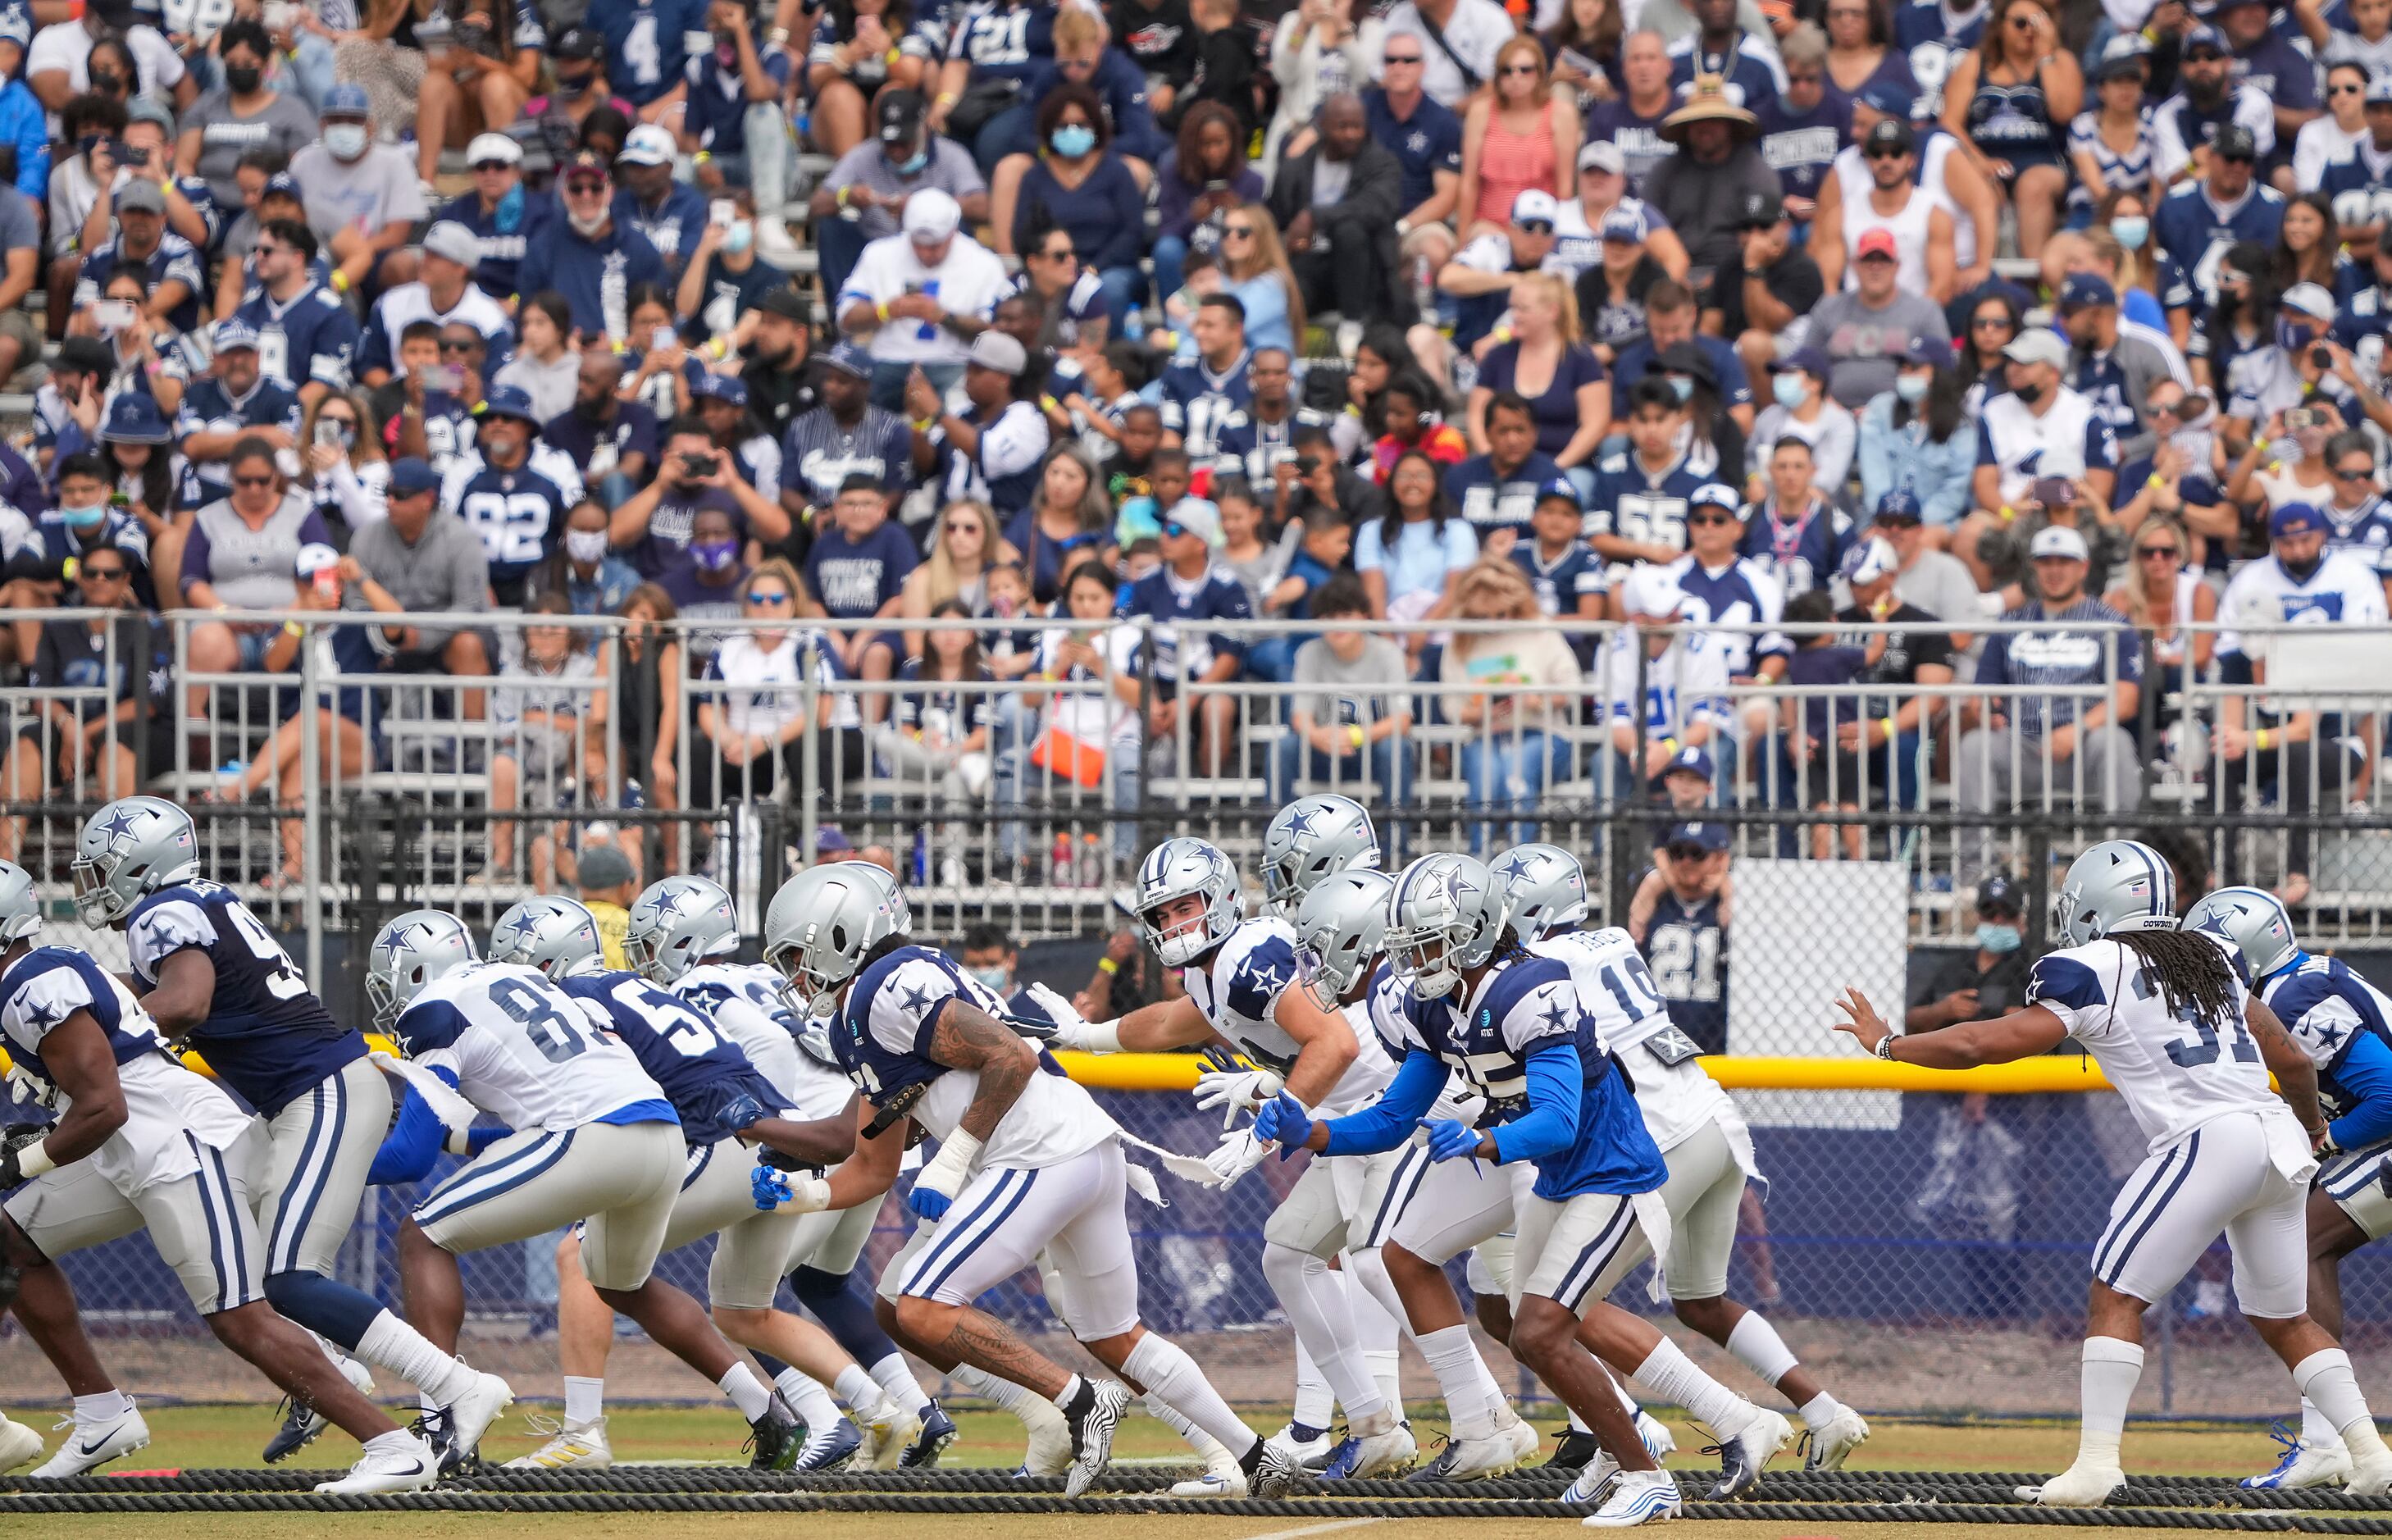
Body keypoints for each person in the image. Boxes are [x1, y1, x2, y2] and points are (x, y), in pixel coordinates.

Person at [1840, 841, 2392, 1503]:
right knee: (2285, 1317)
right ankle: (2370, 1455)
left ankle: (2096, 1465)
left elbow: (1980, 1043)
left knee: (2115, 1294)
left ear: (2098, 905)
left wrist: (1886, 1043)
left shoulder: (2087, 965)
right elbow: (2295, 1064)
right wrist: (2309, 1131)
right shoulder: (2211, 956)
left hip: (2205, 1138)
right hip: (2276, 1139)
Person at [1260, 848, 1793, 1523]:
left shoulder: (1529, 989)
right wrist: (1308, 1131)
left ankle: (1646, 1473)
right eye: (1406, 947)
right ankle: (1621, 1444)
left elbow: (1558, 1121)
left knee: (1541, 1330)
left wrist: (1483, 1141)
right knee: (1521, 1323)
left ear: (1475, 931)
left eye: (1428, 944)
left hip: (1609, 1171)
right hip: (1551, 1173)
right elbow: (1394, 1117)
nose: (1414, 962)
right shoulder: (1433, 1005)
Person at [760, 860, 1303, 1499]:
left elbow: (1008, 1057)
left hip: (1037, 1155)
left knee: (923, 1304)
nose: (795, 975)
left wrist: (956, 1152)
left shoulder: (886, 985)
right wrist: (808, 1194)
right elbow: (873, 1159)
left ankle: (1075, 1404)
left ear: (842, 933)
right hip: (1074, 1151)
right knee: (1112, 1334)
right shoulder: (866, 1005)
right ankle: (1253, 1456)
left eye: (799, 954)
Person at [70, 798, 513, 1469]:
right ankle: (343, 1366)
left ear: (140, 864)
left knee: (290, 1278)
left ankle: (457, 1387)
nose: (94, 883)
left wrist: (102, 1039)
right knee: (253, 1257)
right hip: (307, 1097)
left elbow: (187, 1001)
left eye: (104, 868)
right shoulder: (198, 901)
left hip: (320, 1092)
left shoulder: (163, 912)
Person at [0, 865, 445, 1491]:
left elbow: (107, 1105)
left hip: (176, 1144)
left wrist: (25, 1161)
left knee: (239, 1315)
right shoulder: (34, 979)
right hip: (129, 1151)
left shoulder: (33, 983)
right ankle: (102, 1414)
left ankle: (394, 1445)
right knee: (11, 1240)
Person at [364, 908, 813, 1471]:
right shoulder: (531, 986)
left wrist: (332, 1167)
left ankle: (442, 1429)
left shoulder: (433, 1010)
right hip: (661, 1138)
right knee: (618, 1282)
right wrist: (458, 1140)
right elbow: (535, 1123)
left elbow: (410, 1155)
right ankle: (767, 1412)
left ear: (412, 973)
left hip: (592, 1136)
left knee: (421, 1235)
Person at [1046, 835, 1422, 1476]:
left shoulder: (1246, 956)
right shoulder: (1214, 968)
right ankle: (1372, 1422)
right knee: (1292, 1253)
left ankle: (1476, 1419)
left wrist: (1265, 1127)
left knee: (1404, 1271)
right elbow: (1171, 1024)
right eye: (1161, 915)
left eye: (1183, 907)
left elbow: (1333, 1044)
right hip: (1355, 1113)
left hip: (1399, 1107)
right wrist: (1088, 1035)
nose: (1172, 924)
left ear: (1219, 898)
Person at [1500, 845, 1872, 1468]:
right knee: (1700, 1302)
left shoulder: (1542, 964)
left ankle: (1663, 1433)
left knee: (1559, 1305)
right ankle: (1824, 1411)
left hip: (1658, 1139)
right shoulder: (1613, 938)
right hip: (1712, 1121)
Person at [1957, 525, 2144, 866]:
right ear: (2034, 567)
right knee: (1974, 746)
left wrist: (2077, 729)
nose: (2054, 571)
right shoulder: (2009, 624)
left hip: (2084, 748)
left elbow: (2127, 698)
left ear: (2083, 568)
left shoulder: (2112, 624)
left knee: (2115, 742)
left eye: (2064, 562)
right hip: (2022, 744)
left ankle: (2124, 866)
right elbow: (1983, 693)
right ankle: (1975, 873)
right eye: (2046, 562)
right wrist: (1983, 711)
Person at [1441, 558, 1584, 853]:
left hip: (1542, 731)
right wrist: (1482, 712)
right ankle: (1480, 859)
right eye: (1483, 616)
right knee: (1486, 776)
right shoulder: (1461, 638)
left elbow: (1571, 686)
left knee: (1515, 771)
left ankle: (1520, 860)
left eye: (1501, 613)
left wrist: (1537, 700)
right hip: (1485, 734)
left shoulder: (1539, 629)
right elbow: (1451, 707)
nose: (1493, 622)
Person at [811, 89, 991, 305]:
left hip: (933, 246)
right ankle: (845, 321)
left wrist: (925, 207)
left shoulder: (951, 154)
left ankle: (955, 309)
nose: (896, 151)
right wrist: (846, 197)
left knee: (957, 225)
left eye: (904, 142)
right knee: (832, 228)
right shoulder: (864, 154)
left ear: (922, 129)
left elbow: (982, 206)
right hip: (875, 249)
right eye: (889, 143)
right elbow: (815, 206)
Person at [838, 187, 1009, 411]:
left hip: (952, 361)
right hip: (888, 359)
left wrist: (944, 317)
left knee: (961, 402)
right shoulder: (878, 253)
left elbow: (993, 331)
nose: (927, 254)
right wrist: (887, 311)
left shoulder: (983, 262)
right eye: (918, 245)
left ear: (953, 232)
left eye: (936, 246)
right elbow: (846, 318)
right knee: (854, 398)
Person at [992, 84, 1146, 329]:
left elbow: (1132, 231)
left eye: (1081, 124)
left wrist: (1095, 267)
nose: (1072, 131)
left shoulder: (1117, 171)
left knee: (1109, 289)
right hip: (1051, 266)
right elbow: (1024, 231)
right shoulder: (1035, 177)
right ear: (1049, 130)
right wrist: (1052, 265)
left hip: (1109, 268)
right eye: (1063, 125)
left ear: (1095, 126)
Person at [1938, 0, 2077, 258]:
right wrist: (1979, 162)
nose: (2029, 31)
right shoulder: (1976, 62)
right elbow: (1948, 122)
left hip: (2043, 162)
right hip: (1985, 157)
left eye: (2038, 23)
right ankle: (1984, 273)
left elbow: (2063, 112)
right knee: (1978, 186)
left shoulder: (2061, 61)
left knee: (2033, 186)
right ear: (2000, 26)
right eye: (2021, 23)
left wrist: (2045, 55)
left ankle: (2034, 279)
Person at [349, 455, 496, 691]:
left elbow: (471, 608)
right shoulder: (366, 537)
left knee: (468, 645)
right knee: (354, 646)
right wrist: (385, 638)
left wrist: (421, 636)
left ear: (428, 498)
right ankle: (365, 726)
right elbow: (356, 603)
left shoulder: (460, 537)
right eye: (387, 493)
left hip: (447, 638)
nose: (390, 502)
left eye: (401, 495)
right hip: (389, 638)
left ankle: (474, 729)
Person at [1268, 94, 1408, 335]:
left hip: (1363, 272)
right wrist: (1288, 241)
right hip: (1311, 266)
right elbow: (1273, 220)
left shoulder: (1383, 164)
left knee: (1349, 229)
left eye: (1357, 126)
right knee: (1286, 300)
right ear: (1323, 126)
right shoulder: (1295, 168)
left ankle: (1352, 324)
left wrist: (1313, 216)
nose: (1351, 134)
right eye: (1342, 126)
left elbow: (1376, 207)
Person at [1273, 572, 1414, 803]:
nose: (1339, 624)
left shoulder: (1388, 652)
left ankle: (1397, 837)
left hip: (1372, 750)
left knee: (1395, 749)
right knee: (1283, 747)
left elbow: (1402, 720)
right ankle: (1276, 834)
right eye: (1330, 616)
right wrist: (1317, 736)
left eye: (1347, 615)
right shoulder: (1309, 652)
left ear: (1365, 617)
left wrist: (1356, 736)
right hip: (1323, 751)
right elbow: (1300, 718)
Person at [1642, 75, 1779, 278]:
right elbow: (1645, 224)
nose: (1705, 128)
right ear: (1686, 127)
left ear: (1729, 125)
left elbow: (1767, 233)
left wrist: (1724, 280)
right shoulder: (1665, 172)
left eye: (1714, 121)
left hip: (1734, 273)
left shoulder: (1755, 171)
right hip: (1673, 272)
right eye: (1697, 121)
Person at [912, 330, 1052, 524]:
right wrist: (918, 423)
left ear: (1004, 378)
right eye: (968, 368)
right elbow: (927, 464)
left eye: (978, 371)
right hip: (949, 523)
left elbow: (986, 453)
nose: (969, 376)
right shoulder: (961, 413)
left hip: (1002, 526)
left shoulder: (1028, 418)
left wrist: (936, 411)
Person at [780, 341, 915, 536]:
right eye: (828, 378)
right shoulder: (801, 426)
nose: (830, 387)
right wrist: (811, 515)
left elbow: (898, 490)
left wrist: (860, 518)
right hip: (817, 522)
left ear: (865, 387)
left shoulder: (892, 428)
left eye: (841, 381)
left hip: (873, 525)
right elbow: (787, 490)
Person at [1816, 117, 1956, 303]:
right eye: (1877, 153)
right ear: (1868, 160)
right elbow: (1828, 283)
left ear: (1912, 160)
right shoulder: (1842, 214)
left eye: (1896, 153)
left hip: (1914, 321)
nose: (1886, 161)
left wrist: (1910, 322)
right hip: (1855, 323)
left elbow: (1942, 286)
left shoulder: (1934, 215)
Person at [1367, 33, 1466, 282]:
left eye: (1408, 60)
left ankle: (1411, 309)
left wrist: (1402, 227)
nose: (1399, 67)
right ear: (1383, 66)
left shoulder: (1443, 122)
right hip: (1364, 216)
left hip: (1415, 223)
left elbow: (1447, 196)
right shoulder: (1363, 108)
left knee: (1434, 250)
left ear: (1423, 67)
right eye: (1391, 60)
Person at [1459, 36, 1577, 238]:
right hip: (1489, 225)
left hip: (1539, 228)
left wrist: (1559, 240)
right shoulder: (1481, 112)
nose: (1516, 77)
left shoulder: (1561, 113)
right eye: (1507, 70)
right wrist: (1461, 242)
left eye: (1525, 70)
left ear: (1540, 73)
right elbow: (1469, 183)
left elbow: (1564, 187)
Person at [1857, 339, 1974, 528]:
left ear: (1940, 374)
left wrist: (1915, 524)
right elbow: (1874, 477)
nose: (1906, 374)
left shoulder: (1962, 427)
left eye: (1915, 368)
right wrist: (1892, 520)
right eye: (1904, 368)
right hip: (1880, 520)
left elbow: (1955, 490)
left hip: (1935, 525)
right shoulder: (1880, 410)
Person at [2152, 22, 2275, 187]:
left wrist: (2200, 161)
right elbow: (2175, 179)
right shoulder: (2168, 113)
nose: (2202, 65)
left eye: (2211, 57)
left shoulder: (2254, 101)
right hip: (2189, 200)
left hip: (2248, 195)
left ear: (2228, 62)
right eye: (2193, 58)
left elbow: (2241, 165)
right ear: (2183, 67)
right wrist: (2192, 165)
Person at [1752, 351, 1856, 494]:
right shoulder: (1768, 416)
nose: (1780, 379)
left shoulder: (1840, 423)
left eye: (1789, 373)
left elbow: (1830, 480)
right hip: (1768, 505)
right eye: (1779, 373)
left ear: (1815, 384)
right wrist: (1753, 478)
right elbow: (1750, 459)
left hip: (1821, 506)